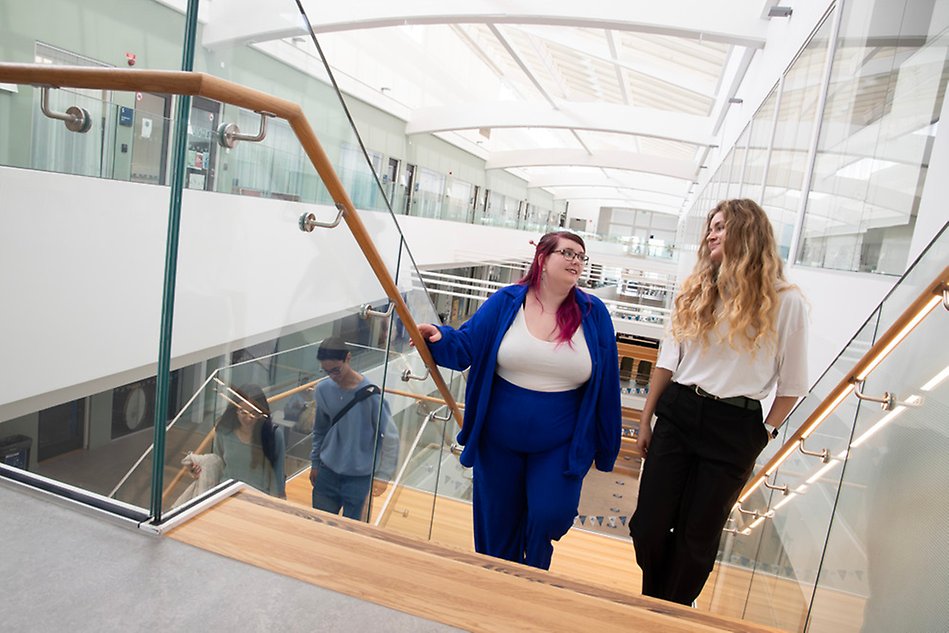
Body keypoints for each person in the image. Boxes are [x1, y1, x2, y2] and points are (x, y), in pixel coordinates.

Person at [628, 199, 808, 605]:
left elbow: (793, 383)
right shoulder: (695, 290)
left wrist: (764, 433)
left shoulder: (786, 301)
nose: (711, 233)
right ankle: (656, 602)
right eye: (711, 227)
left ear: (748, 233)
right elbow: (667, 361)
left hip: (736, 425)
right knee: (650, 527)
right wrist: (645, 419)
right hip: (679, 412)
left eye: (722, 227)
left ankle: (665, 613)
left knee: (698, 538)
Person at [417, 231, 621, 570]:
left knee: (549, 514)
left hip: (560, 442)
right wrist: (439, 338)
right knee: (496, 525)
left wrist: (607, 446)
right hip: (498, 441)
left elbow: (608, 383)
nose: (576, 261)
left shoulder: (593, 312)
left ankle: (532, 571)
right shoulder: (507, 301)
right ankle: (496, 590)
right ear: (543, 257)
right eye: (568, 253)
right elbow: (468, 344)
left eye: (581, 257)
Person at [309, 337, 400, 520]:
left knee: (352, 532)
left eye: (336, 370)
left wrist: (383, 475)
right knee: (320, 526)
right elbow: (320, 430)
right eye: (327, 372)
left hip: (359, 479)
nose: (333, 376)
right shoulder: (323, 389)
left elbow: (391, 437)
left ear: (348, 358)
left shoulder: (371, 396)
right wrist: (315, 463)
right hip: (327, 472)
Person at [201, 383, 286, 498]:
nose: (248, 418)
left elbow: (278, 473)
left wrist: (276, 502)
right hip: (226, 494)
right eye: (243, 412)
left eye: (254, 413)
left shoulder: (274, 435)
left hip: (258, 497)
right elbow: (217, 463)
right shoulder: (224, 431)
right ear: (235, 410)